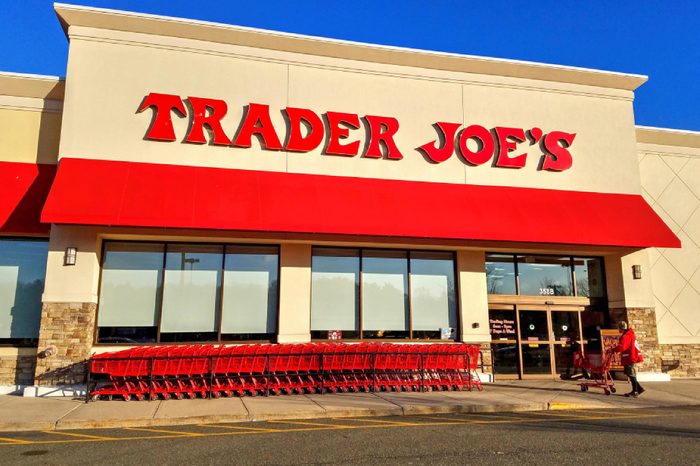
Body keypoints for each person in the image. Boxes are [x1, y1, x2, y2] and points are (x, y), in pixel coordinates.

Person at [611, 321, 645, 397]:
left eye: (618, 328)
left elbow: (622, 347)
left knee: (630, 373)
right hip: (631, 356)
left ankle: (635, 391)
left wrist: (613, 349)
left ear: (621, 328)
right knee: (629, 372)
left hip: (630, 357)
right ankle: (639, 388)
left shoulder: (626, 336)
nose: (618, 330)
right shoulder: (630, 334)